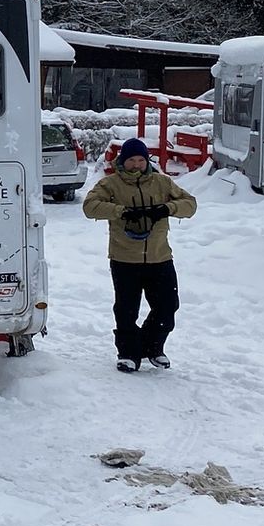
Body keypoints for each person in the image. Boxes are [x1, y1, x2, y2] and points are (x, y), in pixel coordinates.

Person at [81, 136, 196, 373]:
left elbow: (190, 204)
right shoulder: (111, 184)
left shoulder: (162, 183)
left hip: (159, 257)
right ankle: (128, 353)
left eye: (140, 160)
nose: (136, 165)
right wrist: (121, 212)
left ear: (147, 161)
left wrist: (167, 208)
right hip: (124, 259)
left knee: (167, 306)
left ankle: (152, 347)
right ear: (123, 161)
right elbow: (89, 207)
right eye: (131, 160)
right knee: (126, 309)